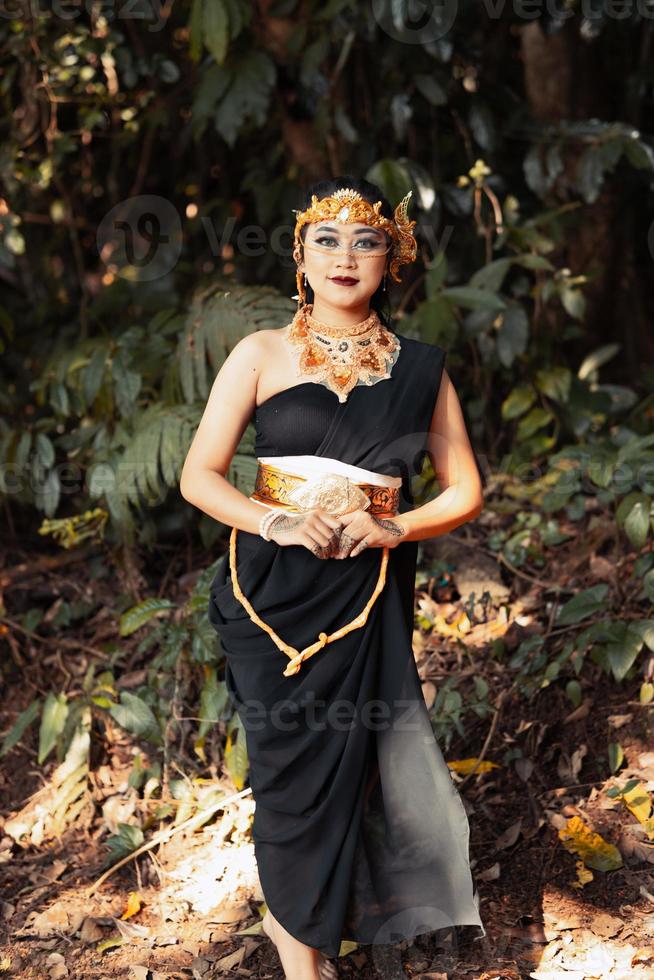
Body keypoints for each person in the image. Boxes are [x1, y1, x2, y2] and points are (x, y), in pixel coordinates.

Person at [180, 175, 486, 980]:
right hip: (269, 593)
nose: (346, 256)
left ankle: (321, 951)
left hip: (366, 595)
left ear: (393, 259)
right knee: (287, 783)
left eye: (367, 241)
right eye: (327, 240)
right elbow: (201, 475)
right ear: (299, 256)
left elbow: (465, 490)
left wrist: (396, 526)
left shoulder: (421, 369)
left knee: (350, 776)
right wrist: (276, 519)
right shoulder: (260, 353)